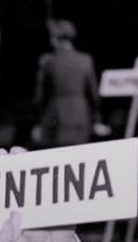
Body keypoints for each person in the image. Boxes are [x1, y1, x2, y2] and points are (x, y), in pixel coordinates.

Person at [32, 19, 102, 147]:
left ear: (54, 39)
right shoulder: (86, 60)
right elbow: (93, 94)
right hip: (80, 118)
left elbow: (40, 96)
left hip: (55, 119)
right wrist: (96, 119)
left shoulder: (48, 61)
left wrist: (38, 121)